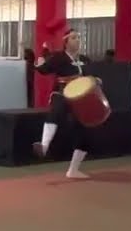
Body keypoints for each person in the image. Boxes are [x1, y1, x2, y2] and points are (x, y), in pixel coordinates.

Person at [32, 28, 93, 179]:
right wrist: (39, 62)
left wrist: (95, 80)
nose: (77, 40)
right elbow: (44, 69)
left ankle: (73, 170)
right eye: (74, 38)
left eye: (78, 37)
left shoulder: (84, 60)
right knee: (56, 110)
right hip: (62, 92)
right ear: (66, 42)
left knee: (84, 132)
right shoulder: (58, 57)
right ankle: (44, 146)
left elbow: (91, 76)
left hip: (79, 98)